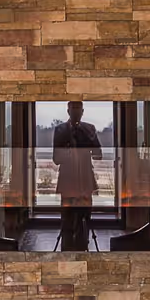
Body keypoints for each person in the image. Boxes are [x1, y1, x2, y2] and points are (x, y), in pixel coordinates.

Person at [53, 101, 103, 251]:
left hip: (84, 182)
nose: (76, 113)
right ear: (68, 111)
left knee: (85, 221)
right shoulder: (60, 130)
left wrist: (89, 140)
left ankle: (82, 250)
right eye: (73, 109)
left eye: (78, 109)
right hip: (69, 183)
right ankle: (67, 251)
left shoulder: (89, 129)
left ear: (82, 111)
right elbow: (56, 159)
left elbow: (98, 155)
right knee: (67, 221)